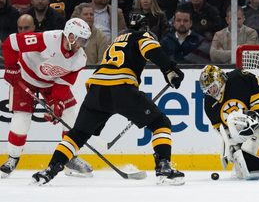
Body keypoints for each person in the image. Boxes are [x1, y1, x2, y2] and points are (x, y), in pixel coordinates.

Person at [31, 11, 185, 186]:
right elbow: (151, 49)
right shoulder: (143, 35)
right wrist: (169, 69)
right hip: (121, 88)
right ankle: (163, 167)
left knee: (77, 135)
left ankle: (49, 170)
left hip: (96, 91)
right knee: (161, 123)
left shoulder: (116, 41)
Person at [0, 17, 94, 179]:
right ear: (70, 36)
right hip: (25, 75)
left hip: (51, 82)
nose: (82, 44)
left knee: (70, 112)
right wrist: (11, 67)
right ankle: (13, 158)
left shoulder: (80, 59)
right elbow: (11, 42)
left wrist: (56, 103)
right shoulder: (47, 39)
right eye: (81, 40)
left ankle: (69, 156)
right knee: (22, 118)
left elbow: (63, 83)